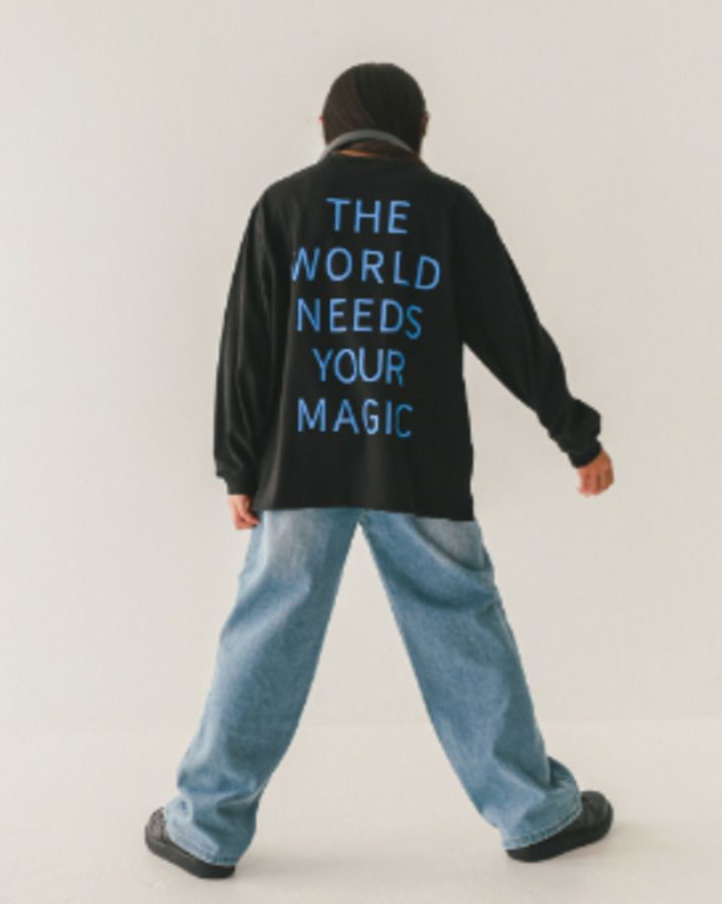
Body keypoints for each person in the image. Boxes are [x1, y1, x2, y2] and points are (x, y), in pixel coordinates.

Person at [144, 62, 616, 879]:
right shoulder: (446, 207)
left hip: (300, 464)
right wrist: (576, 435)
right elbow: (513, 332)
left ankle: (203, 829)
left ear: (328, 127)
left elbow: (247, 343)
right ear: (417, 128)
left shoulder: (285, 205)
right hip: (418, 465)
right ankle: (534, 815)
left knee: (267, 632)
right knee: (461, 628)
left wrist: (237, 466)